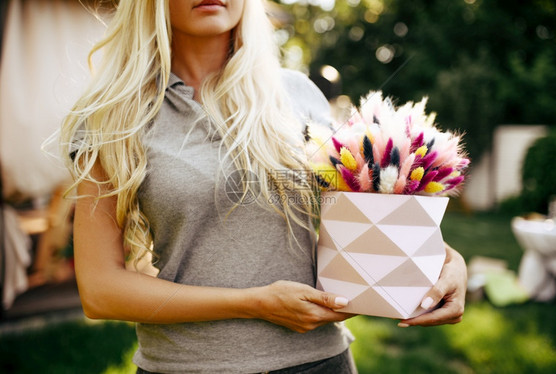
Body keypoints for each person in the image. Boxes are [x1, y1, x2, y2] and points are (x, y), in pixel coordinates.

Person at [60, 0, 467, 373]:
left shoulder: (297, 93)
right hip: (188, 367)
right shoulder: (112, 115)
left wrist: (445, 260)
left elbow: (354, 217)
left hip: (322, 361)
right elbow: (100, 289)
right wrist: (255, 303)